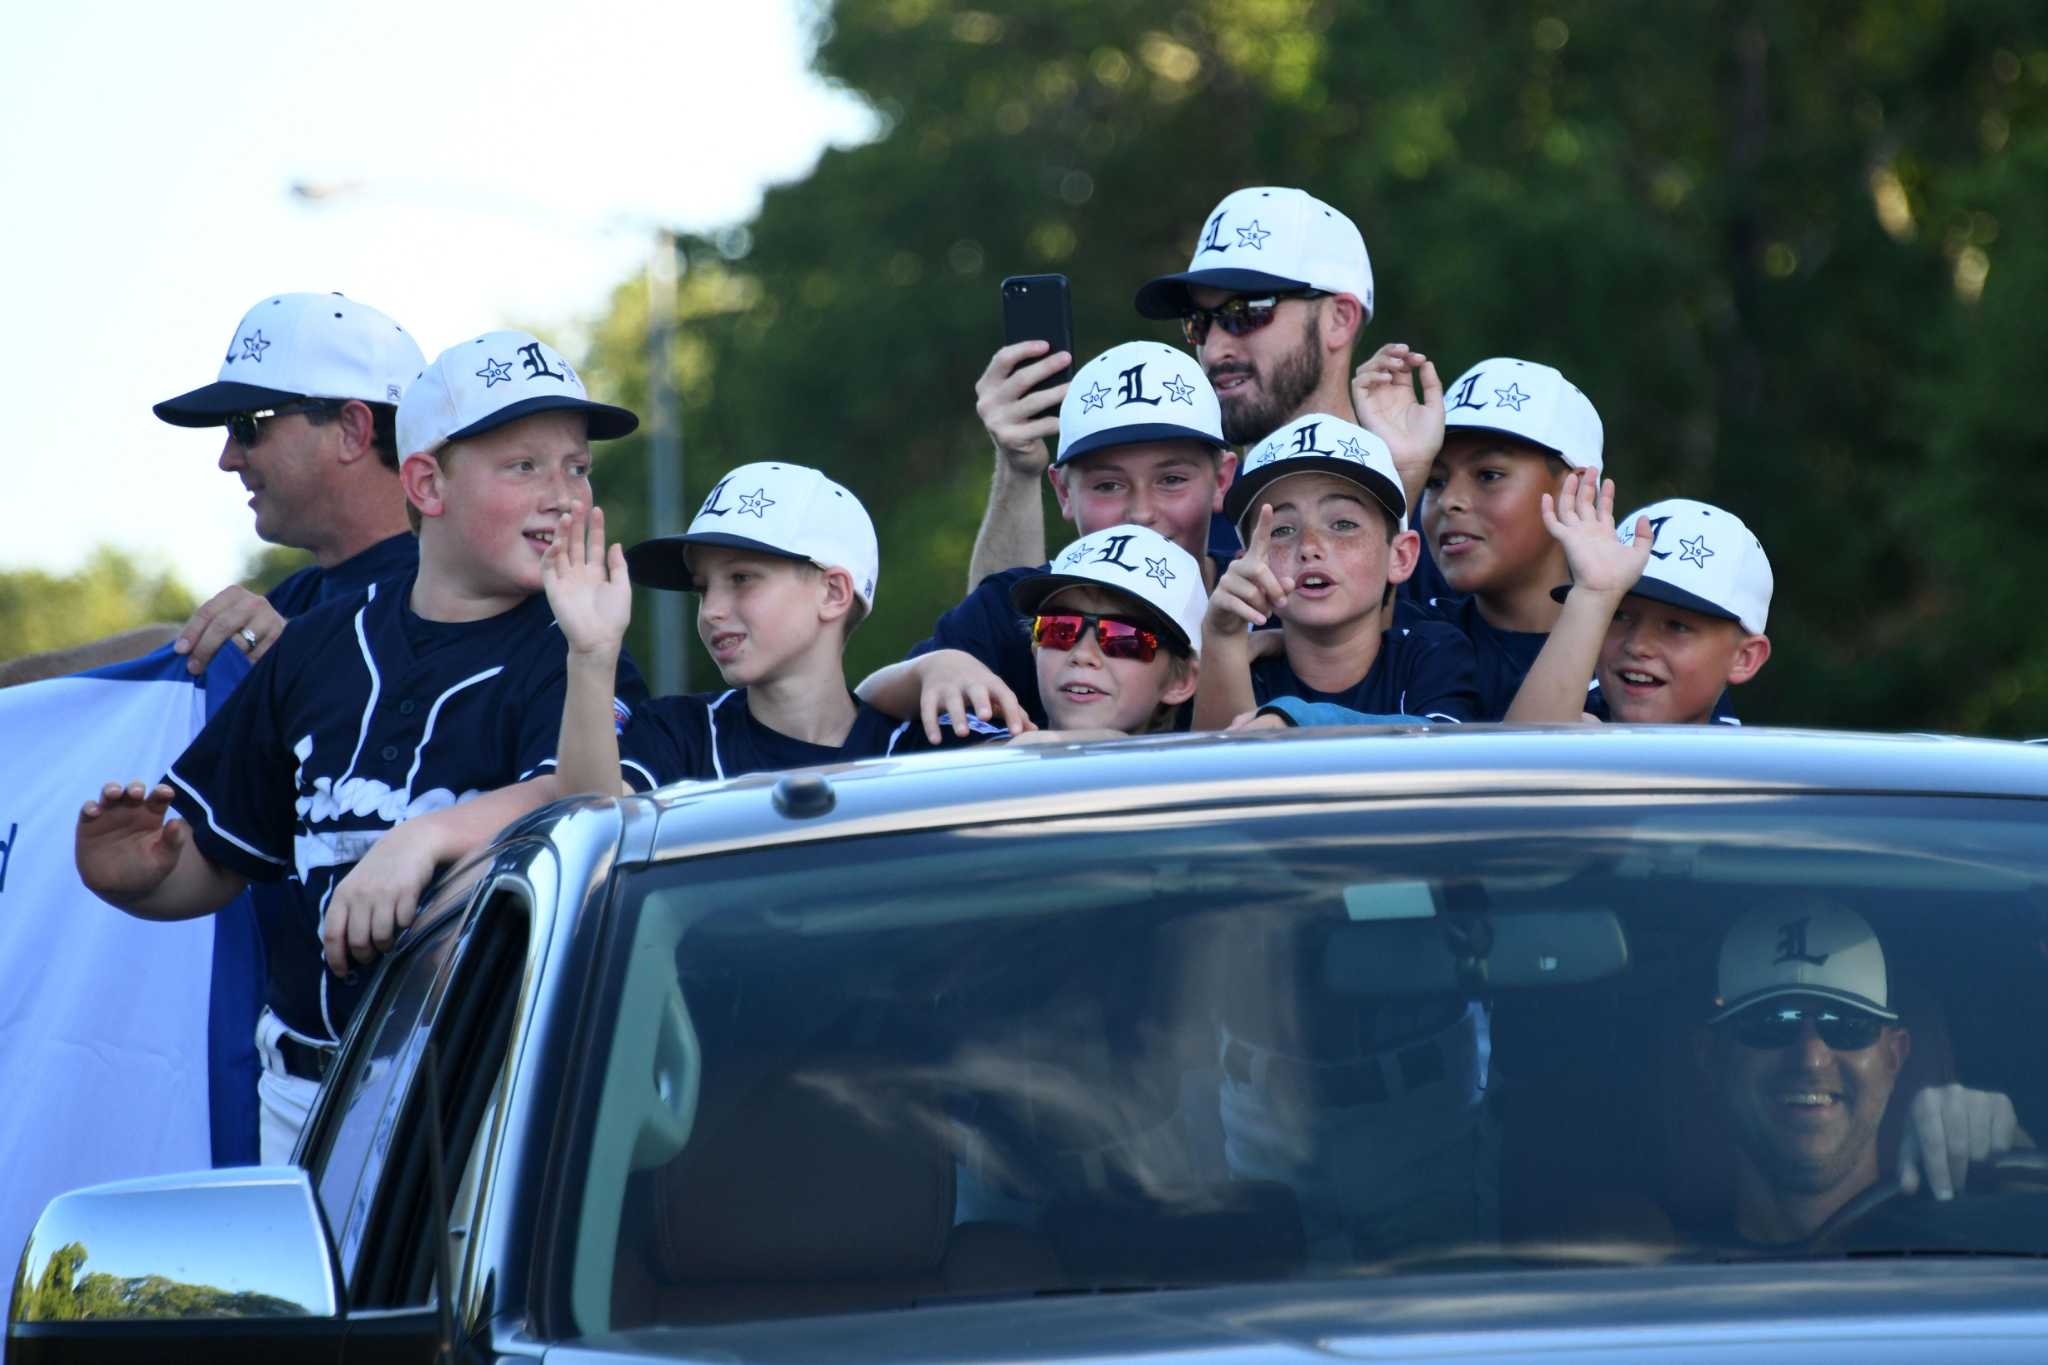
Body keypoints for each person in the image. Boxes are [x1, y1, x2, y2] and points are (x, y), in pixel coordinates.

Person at [73, 329, 643, 1163]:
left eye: (577, 467)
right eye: (524, 467)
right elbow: (225, 854)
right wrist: (142, 875)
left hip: (489, 1085)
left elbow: (589, 802)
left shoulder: (578, 638)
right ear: (425, 481)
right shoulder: (314, 645)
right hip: (304, 1095)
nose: (562, 493)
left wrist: (429, 834)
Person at [0, 292, 426, 686]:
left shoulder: (458, 593)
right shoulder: (296, 599)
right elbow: (174, 652)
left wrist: (294, 668)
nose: (228, 459)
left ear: (352, 430)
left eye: (247, 426)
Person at [863, 341, 1231, 735]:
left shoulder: (1274, 607)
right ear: (1064, 492)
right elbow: (866, 718)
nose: (1140, 513)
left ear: (1221, 481)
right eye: (1108, 485)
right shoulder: (1012, 603)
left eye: (1171, 480)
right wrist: (931, 667)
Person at [544, 461, 940, 795]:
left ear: (833, 592)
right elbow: (592, 820)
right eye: (702, 589)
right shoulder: (682, 735)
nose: (711, 609)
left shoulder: (922, 750)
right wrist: (591, 656)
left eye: (741, 579)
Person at [1693, 905, 2030, 1246]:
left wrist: (2015, 1165)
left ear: (1894, 1055)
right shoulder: (1655, 1273)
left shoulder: (1969, 1255)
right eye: (1772, 1023)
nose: (1811, 1059)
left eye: (1847, 1026)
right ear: (1710, 1056)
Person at [1194, 413, 1479, 730]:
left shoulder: (1432, 650)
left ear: (1401, 556)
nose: (1309, 545)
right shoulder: (1246, 667)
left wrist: (1295, 719)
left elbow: (1441, 745)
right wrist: (1223, 640)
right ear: (1248, 564)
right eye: (1281, 530)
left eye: (1343, 524)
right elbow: (1225, 769)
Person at [1415, 358, 1606, 719]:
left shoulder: (1639, 656)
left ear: (1576, 490)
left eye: (1488, 475)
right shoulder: (1410, 639)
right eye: (1434, 480)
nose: (1449, 501)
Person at [1505, 485, 1771, 724]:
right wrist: (1592, 595)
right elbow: (1517, 765)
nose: (1637, 645)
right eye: (1618, 615)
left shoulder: (1749, 772)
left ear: (1744, 658)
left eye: (1676, 626)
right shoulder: (1553, 706)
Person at [1007, 524, 1205, 738]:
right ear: (1036, 651)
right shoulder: (978, 750)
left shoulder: (1207, 772)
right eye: (1059, 629)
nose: (1083, 655)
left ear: (1181, 680)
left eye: (1123, 639)